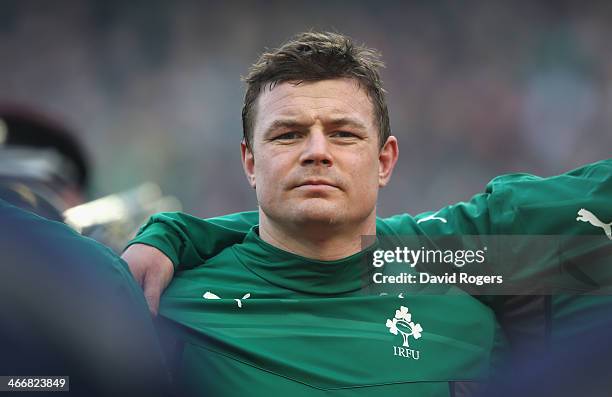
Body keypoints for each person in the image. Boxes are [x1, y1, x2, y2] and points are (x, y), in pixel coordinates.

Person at [123, 32, 612, 396]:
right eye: (288, 134)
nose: (317, 151)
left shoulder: (473, 295)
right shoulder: (164, 305)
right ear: (250, 161)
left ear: (385, 161)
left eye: (343, 134)